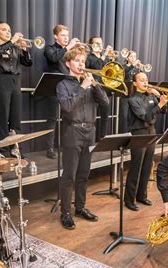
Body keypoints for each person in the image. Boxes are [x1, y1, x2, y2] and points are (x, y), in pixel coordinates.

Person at [56, 47, 109, 230]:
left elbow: (105, 103)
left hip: (90, 132)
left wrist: (95, 85)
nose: (81, 64)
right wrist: (82, 87)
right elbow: (68, 108)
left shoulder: (89, 82)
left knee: (84, 174)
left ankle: (80, 208)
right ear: (68, 63)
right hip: (72, 132)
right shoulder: (63, 85)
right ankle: (66, 213)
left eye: (83, 61)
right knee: (69, 175)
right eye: (77, 61)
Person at [0, 21, 32, 155]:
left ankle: (15, 149)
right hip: (1, 80)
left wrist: (24, 49)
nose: (8, 32)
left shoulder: (14, 47)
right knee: (3, 116)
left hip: (16, 81)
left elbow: (28, 63)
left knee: (15, 117)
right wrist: (12, 40)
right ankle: (3, 151)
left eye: (9, 30)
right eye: (4, 30)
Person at [124, 72, 168, 211]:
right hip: (139, 134)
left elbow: (164, 110)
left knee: (147, 166)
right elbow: (146, 116)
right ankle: (129, 200)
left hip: (151, 132)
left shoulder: (150, 97)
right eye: (141, 80)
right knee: (136, 167)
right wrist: (159, 104)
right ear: (135, 83)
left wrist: (158, 97)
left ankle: (142, 196)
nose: (145, 82)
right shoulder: (132, 100)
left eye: (146, 79)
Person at [43, 24, 79, 159]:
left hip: (68, 86)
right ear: (55, 36)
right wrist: (68, 47)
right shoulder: (49, 49)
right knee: (52, 119)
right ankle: (50, 148)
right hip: (53, 87)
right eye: (63, 35)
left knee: (69, 117)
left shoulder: (69, 51)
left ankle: (67, 145)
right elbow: (53, 58)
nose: (66, 38)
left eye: (67, 35)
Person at [85, 36, 113, 140]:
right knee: (91, 116)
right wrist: (105, 55)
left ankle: (102, 138)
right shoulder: (89, 57)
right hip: (93, 90)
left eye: (101, 43)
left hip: (104, 89)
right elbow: (96, 65)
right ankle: (89, 139)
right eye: (96, 43)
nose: (100, 45)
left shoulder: (104, 58)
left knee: (105, 116)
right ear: (91, 45)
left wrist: (111, 59)